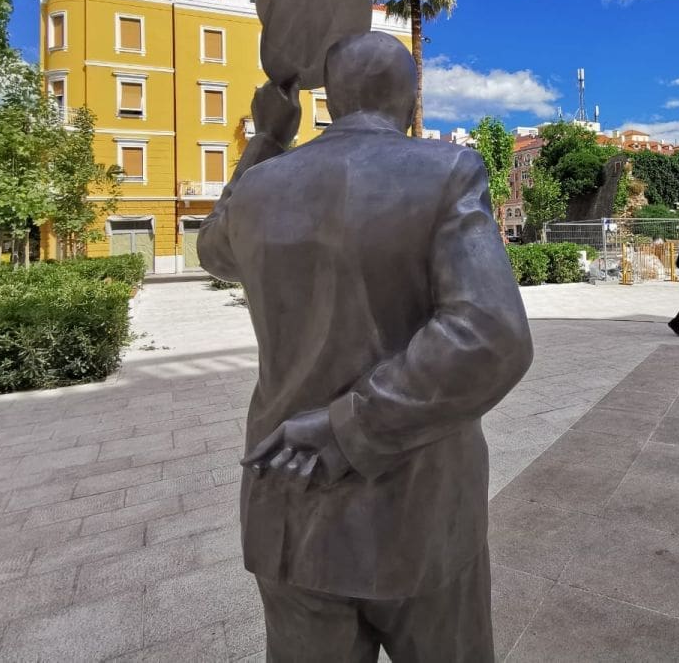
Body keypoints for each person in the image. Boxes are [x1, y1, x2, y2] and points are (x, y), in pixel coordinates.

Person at [198, 32, 533, 662]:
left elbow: (212, 247)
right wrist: (347, 426)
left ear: (330, 101)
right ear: (411, 101)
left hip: (290, 507)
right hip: (419, 517)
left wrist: (266, 140)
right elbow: (491, 333)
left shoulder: (260, 190)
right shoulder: (447, 172)